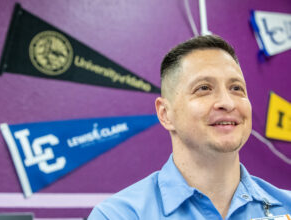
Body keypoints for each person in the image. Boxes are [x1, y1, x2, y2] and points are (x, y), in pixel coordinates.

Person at [88, 35, 291, 220]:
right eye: (204, 88)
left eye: (236, 88)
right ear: (165, 114)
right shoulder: (118, 216)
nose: (227, 103)